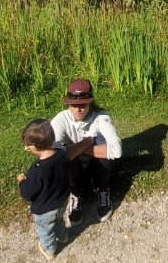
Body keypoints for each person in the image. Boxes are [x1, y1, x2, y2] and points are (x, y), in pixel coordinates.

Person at [50, 78, 122, 225]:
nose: (78, 109)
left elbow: (117, 151)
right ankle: (75, 194)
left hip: (97, 165)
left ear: (90, 102)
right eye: (74, 105)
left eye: (83, 104)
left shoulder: (100, 117)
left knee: (106, 153)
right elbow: (54, 154)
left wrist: (78, 148)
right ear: (68, 103)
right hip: (75, 168)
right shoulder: (60, 120)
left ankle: (103, 190)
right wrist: (88, 141)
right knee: (63, 158)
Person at [16, 119, 70, 260]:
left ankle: (50, 249)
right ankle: (63, 236)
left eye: (28, 146)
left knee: (45, 230)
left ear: (36, 147)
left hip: (45, 210)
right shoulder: (61, 154)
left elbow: (28, 193)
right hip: (61, 202)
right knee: (59, 220)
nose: (28, 148)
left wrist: (22, 182)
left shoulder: (37, 171)